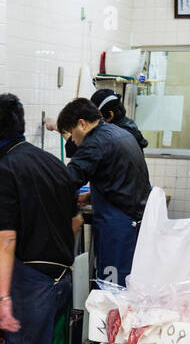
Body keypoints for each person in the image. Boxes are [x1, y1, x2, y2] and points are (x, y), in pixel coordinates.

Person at [0, 93, 79, 344]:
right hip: (62, 281)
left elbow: (6, 239)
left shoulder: (3, 172)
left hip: (32, 287)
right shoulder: (53, 163)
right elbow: (75, 220)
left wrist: (5, 297)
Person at [57, 97, 152, 287]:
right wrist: (90, 196)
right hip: (133, 221)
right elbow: (120, 177)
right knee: (126, 282)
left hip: (118, 226)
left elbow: (67, 181)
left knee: (113, 287)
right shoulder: (118, 132)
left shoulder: (95, 142)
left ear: (82, 124)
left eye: (71, 134)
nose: (73, 141)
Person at [51, 89, 149, 158]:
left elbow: (83, 152)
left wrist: (62, 130)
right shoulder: (127, 129)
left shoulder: (110, 137)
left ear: (110, 115)